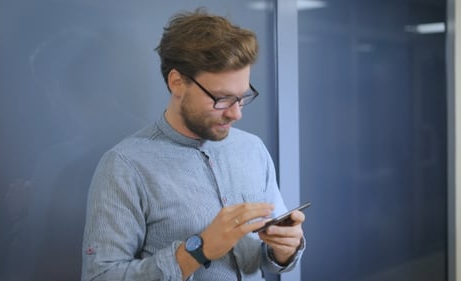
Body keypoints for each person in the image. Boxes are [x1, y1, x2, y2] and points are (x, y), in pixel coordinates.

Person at [81, 8, 306, 281]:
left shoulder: (253, 149)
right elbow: (100, 277)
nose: (237, 114)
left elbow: (267, 258)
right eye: (221, 98)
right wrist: (199, 250)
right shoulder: (124, 167)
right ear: (177, 82)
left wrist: (283, 249)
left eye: (242, 96)